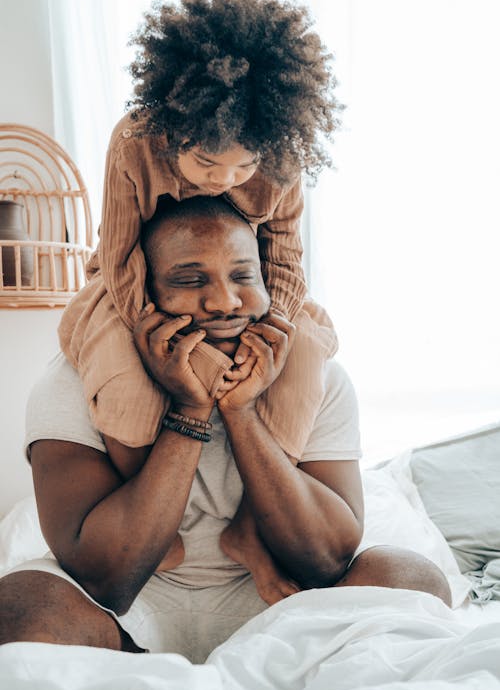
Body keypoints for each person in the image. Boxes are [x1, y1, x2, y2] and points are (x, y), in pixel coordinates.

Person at [0, 197, 451, 664]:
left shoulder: (319, 379)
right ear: (145, 291)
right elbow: (105, 577)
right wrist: (190, 409)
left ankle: (269, 667)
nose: (225, 302)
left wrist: (242, 411)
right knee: (18, 605)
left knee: (412, 577)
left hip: (281, 605)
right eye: (190, 280)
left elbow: (326, 560)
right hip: (127, 612)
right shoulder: (72, 383)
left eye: (243, 276)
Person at [58, 0, 342, 603]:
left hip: (250, 291)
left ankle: (252, 529)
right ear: (176, 129)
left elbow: (286, 264)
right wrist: (182, 344)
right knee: (125, 378)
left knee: (305, 360)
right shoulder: (136, 141)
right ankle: (156, 518)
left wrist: (271, 330)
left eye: (244, 167)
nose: (231, 180)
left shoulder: (279, 156)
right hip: (136, 286)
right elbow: (121, 255)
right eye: (209, 168)